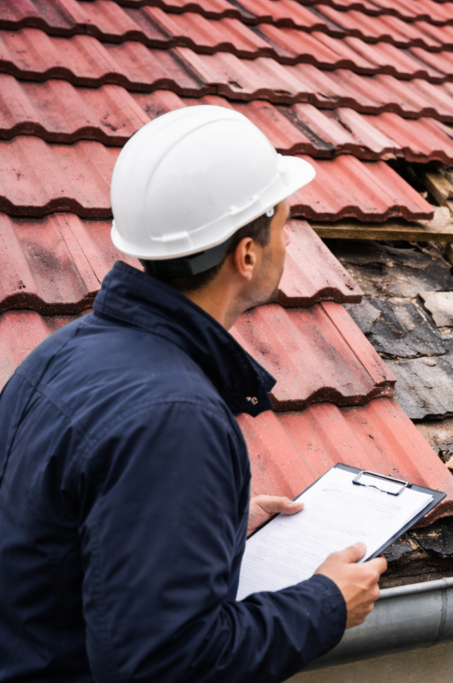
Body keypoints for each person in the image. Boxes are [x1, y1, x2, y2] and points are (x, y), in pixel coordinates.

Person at [0, 106, 385, 682]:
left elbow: (59, 533)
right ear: (247, 255)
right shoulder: (174, 418)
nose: (287, 240)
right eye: (283, 224)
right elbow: (168, 664)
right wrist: (326, 604)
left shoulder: (66, 349)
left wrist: (214, 526)